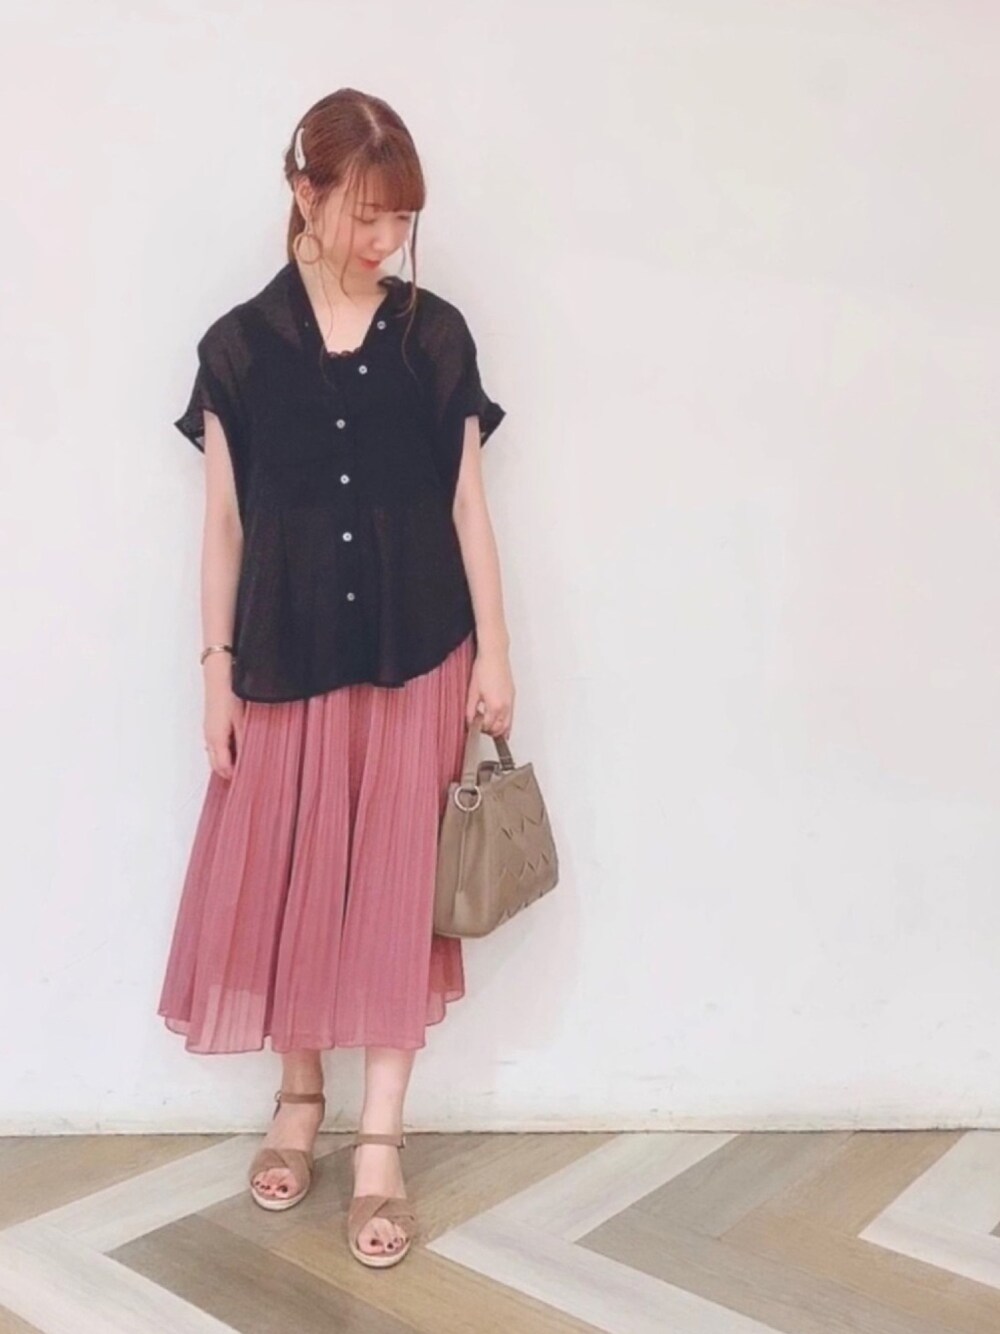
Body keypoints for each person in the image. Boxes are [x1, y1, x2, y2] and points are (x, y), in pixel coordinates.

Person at [156, 88, 513, 1268]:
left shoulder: (435, 336)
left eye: (402, 218)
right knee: (288, 874)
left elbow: (467, 504)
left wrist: (497, 651)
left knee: (396, 883)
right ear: (302, 192)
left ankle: (379, 1142)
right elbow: (223, 524)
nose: (385, 240)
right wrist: (215, 674)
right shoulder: (237, 349)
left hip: (421, 647)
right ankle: (298, 1097)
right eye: (366, 213)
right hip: (283, 651)